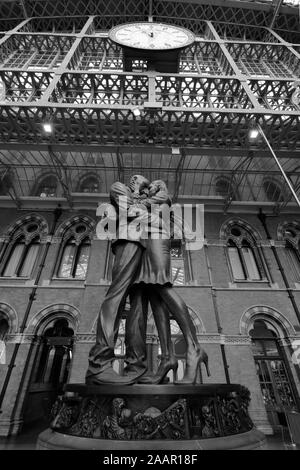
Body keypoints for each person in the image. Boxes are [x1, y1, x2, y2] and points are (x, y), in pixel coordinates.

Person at [126, 180, 210, 385]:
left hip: (157, 245)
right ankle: (167, 357)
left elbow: (134, 209)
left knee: (162, 286)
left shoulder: (162, 198)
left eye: (153, 184)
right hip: (150, 245)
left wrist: (138, 193)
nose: (150, 187)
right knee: (156, 297)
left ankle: (194, 348)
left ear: (160, 187)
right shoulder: (154, 201)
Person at [86, 175, 150, 385]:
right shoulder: (119, 188)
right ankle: (99, 364)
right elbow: (131, 211)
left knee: (139, 306)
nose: (137, 182)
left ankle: (136, 365)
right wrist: (147, 202)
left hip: (144, 248)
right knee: (117, 297)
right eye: (139, 181)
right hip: (128, 241)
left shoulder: (142, 197)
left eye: (142, 183)